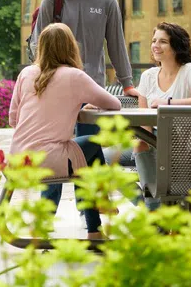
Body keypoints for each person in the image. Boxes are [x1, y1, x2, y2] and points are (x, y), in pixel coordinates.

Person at [10, 23, 122, 239]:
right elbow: (114, 104)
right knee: (91, 144)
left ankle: (95, 227)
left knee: (83, 154)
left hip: (19, 158)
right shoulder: (74, 76)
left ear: (40, 47)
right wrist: (84, 106)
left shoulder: (26, 73)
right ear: (71, 47)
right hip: (48, 159)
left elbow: (13, 119)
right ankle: (96, 220)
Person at [29, 0, 139, 137]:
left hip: (92, 88)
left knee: (89, 143)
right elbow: (39, 43)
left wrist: (127, 83)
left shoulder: (107, 2)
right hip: (57, 86)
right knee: (56, 141)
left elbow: (116, 44)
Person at [121, 22, 191, 211]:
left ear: (176, 46)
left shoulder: (189, 70)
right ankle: (153, 210)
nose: (156, 45)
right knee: (106, 157)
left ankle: (156, 215)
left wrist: (169, 103)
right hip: (155, 140)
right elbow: (144, 123)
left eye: (163, 41)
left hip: (188, 146)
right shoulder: (148, 76)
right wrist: (143, 142)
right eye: (154, 40)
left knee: (149, 152)